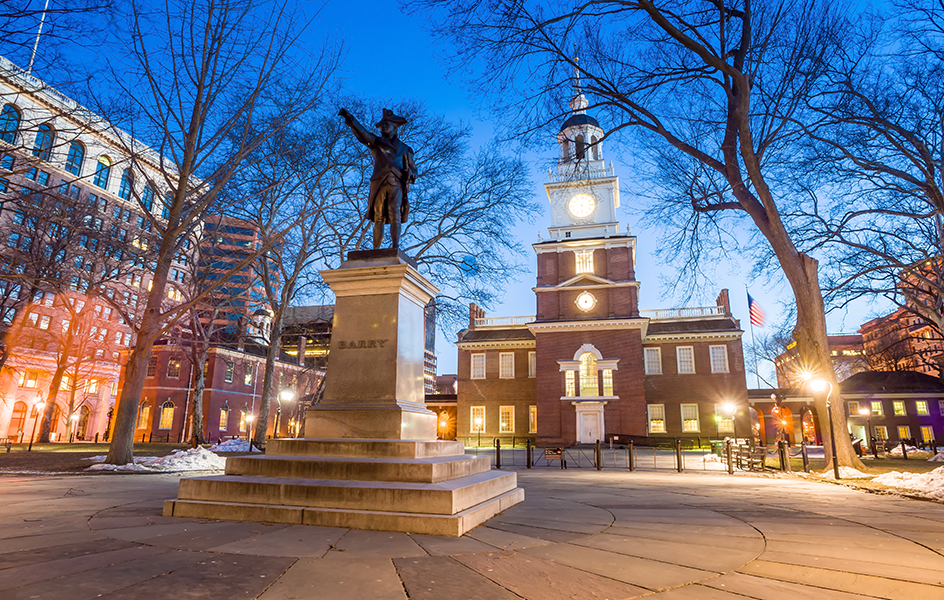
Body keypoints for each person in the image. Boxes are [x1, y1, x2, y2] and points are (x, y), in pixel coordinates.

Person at [338, 107, 416, 250]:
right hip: (379, 182)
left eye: (386, 124)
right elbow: (363, 134)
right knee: (378, 217)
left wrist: (410, 174)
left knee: (395, 213)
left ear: (395, 127)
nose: (383, 127)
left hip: (396, 182)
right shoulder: (377, 142)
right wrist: (350, 119)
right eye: (382, 125)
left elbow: (414, 169)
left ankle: (395, 247)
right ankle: (376, 250)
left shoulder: (405, 149)